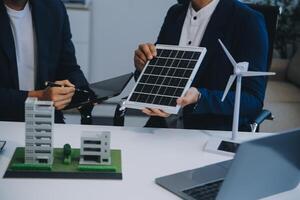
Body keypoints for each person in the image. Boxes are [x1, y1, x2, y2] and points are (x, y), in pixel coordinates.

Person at [134, 0, 269, 131]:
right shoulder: (175, 13)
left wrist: (200, 97)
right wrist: (144, 67)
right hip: (161, 128)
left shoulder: (248, 19)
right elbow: (159, 78)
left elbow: (252, 100)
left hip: (209, 133)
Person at [0, 0, 91, 123]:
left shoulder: (53, 8)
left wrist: (85, 93)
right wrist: (39, 97)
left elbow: (68, 68)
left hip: (46, 122)